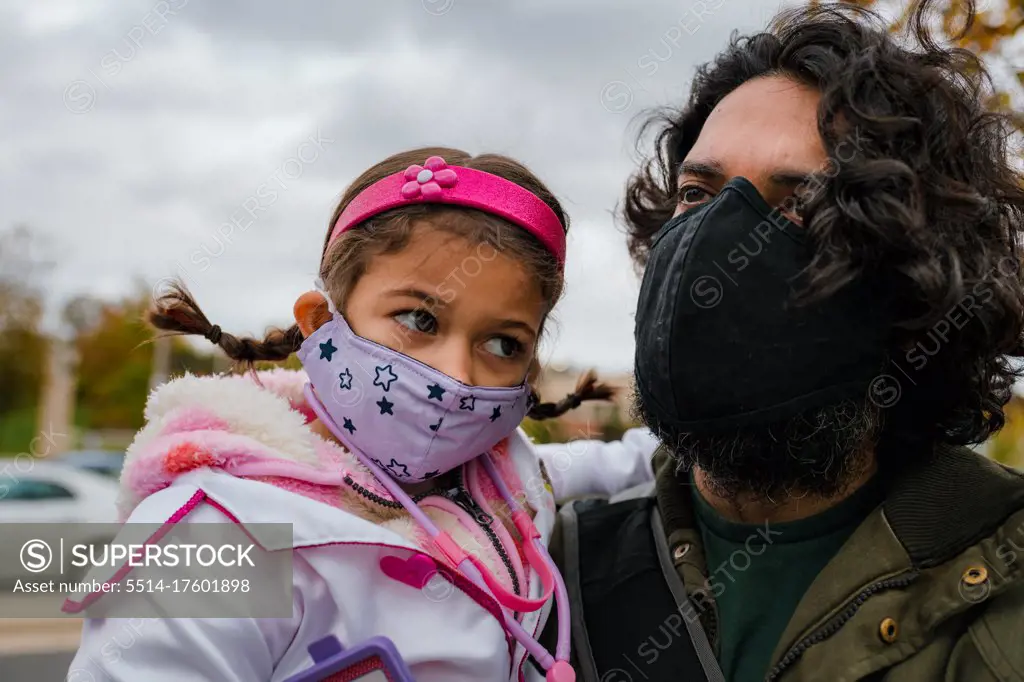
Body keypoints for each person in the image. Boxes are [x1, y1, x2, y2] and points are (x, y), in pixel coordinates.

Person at [543, 2, 1024, 681]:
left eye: (801, 204)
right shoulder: (542, 572)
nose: (720, 243)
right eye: (696, 193)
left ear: (917, 275)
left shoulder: (1002, 580)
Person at [65, 147, 654, 682]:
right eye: (418, 319)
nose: (456, 375)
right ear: (321, 322)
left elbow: (630, 462)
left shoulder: (508, 484)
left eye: (503, 345)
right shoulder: (213, 533)